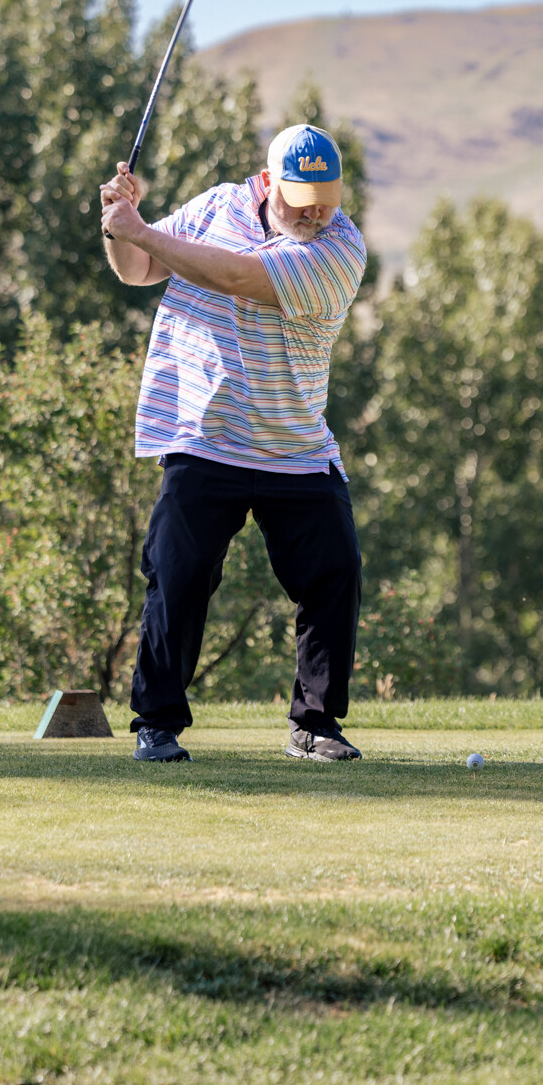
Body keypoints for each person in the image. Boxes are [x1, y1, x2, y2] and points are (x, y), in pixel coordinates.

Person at [99, 124, 369, 762]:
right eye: (302, 199)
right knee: (177, 577)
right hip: (203, 433)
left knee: (334, 574)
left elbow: (238, 276)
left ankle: (315, 726)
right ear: (269, 182)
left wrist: (140, 229)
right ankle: (156, 726)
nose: (316, 213)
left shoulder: (340, 248)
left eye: (326, 200)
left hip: (292, 444)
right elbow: (139, 269)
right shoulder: (217, 205)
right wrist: (118, 228)